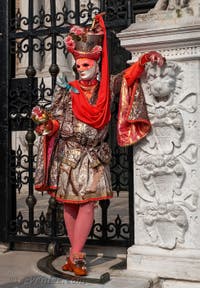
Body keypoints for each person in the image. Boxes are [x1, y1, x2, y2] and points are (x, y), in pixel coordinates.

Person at [33, 13, 165, 276]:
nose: (81, 68)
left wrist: (143, 59)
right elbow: (56, 118)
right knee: (69, 204)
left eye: (85, 64)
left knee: (87, 204)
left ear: (95, 64)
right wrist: (47, 123)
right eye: (78, 65)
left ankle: (77, 256)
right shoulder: (67, 89)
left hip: (94, 156)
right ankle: (75, 254)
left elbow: (128, 76)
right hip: (68, 155)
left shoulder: (108, 87)